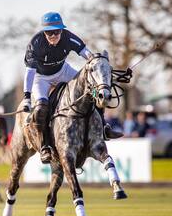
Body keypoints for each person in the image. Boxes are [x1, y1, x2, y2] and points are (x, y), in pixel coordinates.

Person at [22, 11, 123, 163]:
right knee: (42, 107)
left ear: (61, 30)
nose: (54, 36)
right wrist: (27, 98)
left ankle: (103, 127)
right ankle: (44, 147)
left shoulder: (68, 37)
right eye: (50, 33)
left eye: (57, 32)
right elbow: (30, 73)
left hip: (63, 71)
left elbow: (86, 53)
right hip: (40, 78)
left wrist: (98, 64)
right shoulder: (35, 44)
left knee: (92, 91)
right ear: (44, 33)